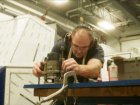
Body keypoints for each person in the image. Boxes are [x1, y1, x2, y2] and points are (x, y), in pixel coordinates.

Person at [32, 25, 104, 104]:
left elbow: (95, 69)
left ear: (90, 44)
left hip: (87, 96)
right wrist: (40, 69)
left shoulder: (96, 49)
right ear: (70, 39)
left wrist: (78, 69)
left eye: (84, 47)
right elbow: (50, 68)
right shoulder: (60, 46)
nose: (79, 51)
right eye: (76, 46)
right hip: (62, 95)